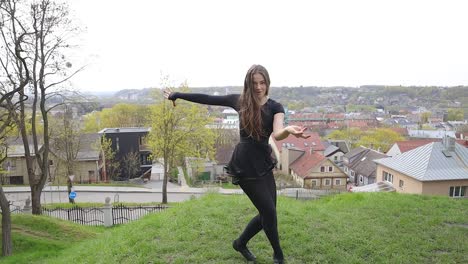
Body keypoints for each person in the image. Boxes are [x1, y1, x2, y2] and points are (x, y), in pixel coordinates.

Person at [164, 64, 309, 264]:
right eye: (254, 83)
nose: (259, 87)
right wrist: (178, 94)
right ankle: (279, 255)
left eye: (262, 82)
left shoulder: (276, 107)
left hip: (263, 162)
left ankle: (240, 243)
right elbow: (208, 99)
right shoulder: (240, 101)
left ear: (267, 83)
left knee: (268, 212)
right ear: (248, 84)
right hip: (244, 164)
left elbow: (277, 133)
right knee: (268, 212)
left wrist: (289, 130)